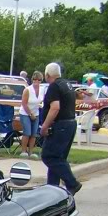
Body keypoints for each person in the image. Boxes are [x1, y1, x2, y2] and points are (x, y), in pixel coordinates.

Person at [38, 62, 81, 195]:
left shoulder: (54, 86)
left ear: (47, 75)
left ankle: (72, 183)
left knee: (48, 156)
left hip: (60, 125)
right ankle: (52, 189)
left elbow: (55, 107)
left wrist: (44, 126)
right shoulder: (67, 84)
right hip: (70, 123)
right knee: (58, 158)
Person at [18, 70, 46, 158]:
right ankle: (23, 151)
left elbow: (42, 101)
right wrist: (30, 114)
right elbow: (24, 103)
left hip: (36, 112)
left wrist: (41, 106)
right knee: (27, 132)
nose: (36, 82)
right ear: (32, 80)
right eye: (35, 80)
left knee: (34, 133)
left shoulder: (42, 89)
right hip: (25, 113)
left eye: (39, 80)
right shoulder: (27, 90)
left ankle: (31, 152)